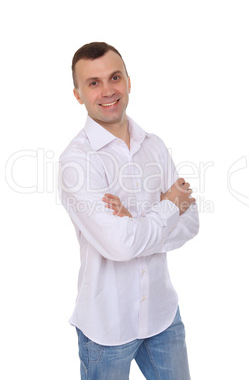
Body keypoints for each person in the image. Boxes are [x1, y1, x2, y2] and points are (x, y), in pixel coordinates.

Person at [58, 42, 199, 380]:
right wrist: (167, 208)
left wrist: (135, 225)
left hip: (163, 316)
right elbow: (120, 246)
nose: (108, 91)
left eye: (115, 77)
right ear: (78, 94)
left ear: (129, 81)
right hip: (107, 327)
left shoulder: (155, 145)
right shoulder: (76, 162)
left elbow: (191, 222)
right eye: (93, 83)